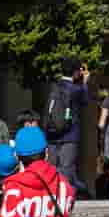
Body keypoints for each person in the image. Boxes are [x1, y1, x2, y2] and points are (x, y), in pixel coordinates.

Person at [42, 60, 89, 197]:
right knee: (66, 167)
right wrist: (85, 82)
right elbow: (85, 101)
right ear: (76, 72)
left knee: (51, 167)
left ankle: (49, 196)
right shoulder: (76, 89)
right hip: (70, 134)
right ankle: (63, 197)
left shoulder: (53, 86)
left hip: (51, 133)